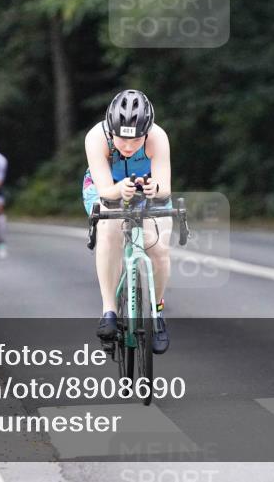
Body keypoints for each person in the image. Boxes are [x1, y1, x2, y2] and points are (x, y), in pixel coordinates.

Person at [82, 89, 172, 354]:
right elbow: (105, 190)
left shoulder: (158, 137)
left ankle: (156, 314)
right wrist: (119, 190)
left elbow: (165, 187)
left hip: (146, 192)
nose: (130, 147)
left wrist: (156, 189)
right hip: (106, 188)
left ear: (147, 131)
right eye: (122, 140)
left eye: (136, 140)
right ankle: (109, 310)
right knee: (109, 228)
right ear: (111, 130)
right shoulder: (96, 137)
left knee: (159, 248)